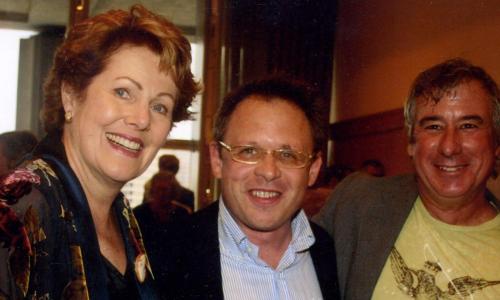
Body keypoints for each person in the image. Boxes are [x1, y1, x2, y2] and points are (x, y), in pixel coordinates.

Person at [0, 4, 199, 299]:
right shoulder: (18, 208)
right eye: (123, 92)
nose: (142, 119)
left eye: (160, 106)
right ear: (71, 96)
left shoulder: (121, 216)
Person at [314, 58, 500, 299]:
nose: (450, 147)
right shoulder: (358, 204)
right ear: (411, 143)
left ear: (496, 143)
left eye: (468, 126)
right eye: (433, 126)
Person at [154, 77, 340, 299]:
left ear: (313, 170)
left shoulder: (332, 253)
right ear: (217, 160)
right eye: (249, 151)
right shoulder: (162, 257)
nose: (269, 172)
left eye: (288, 155)